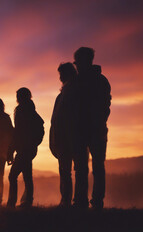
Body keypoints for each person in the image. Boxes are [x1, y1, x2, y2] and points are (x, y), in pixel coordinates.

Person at [72, 47, 111, 209]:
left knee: (85, 167)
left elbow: (103, 106)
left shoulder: (78, 82)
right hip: (95, 129)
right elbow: (106, 106)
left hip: (89, 129)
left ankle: (84, 201)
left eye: (77, 62)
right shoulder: (101, 81)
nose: (76, 66)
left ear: (84, 61)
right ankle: (94, 201)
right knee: (94, 167)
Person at [7, 88, 44, 208]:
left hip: (25, 148)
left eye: (18, 95)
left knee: (13, 175)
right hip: (27, 148)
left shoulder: (24, 110)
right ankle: (27, 202)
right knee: (27, 175)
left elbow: (18, 132)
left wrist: (32, 143)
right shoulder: (29, 109)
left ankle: (13, 203)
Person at [49, 63, 78, 207]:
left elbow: (62, 118)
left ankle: (68, 200)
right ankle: (66, 200)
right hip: (63, 138)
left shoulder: (72, 92)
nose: (60, 77)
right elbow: (55, 120)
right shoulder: (62, 94)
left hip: (69, 137)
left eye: (61, 74)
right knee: (65, 171)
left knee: (67, 172)